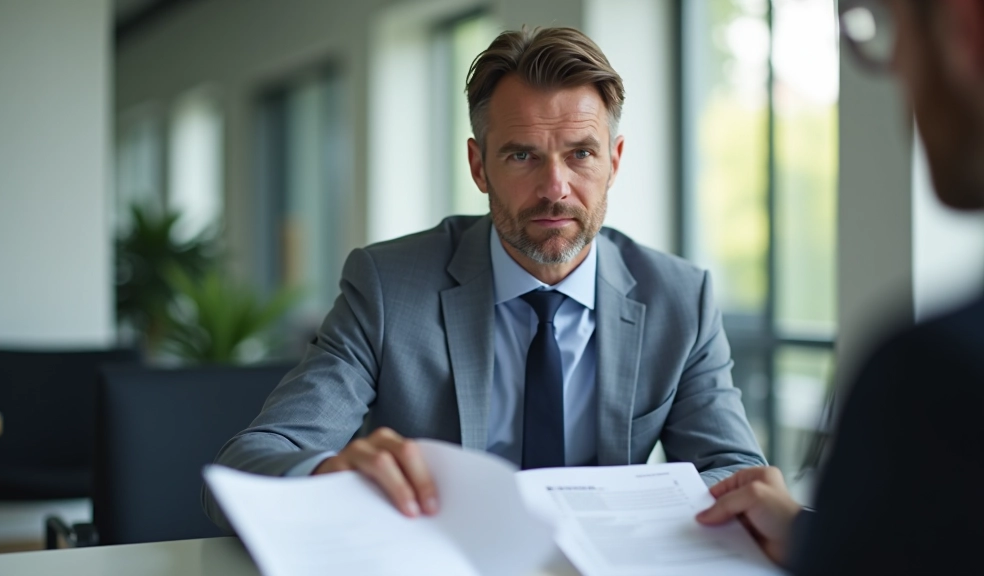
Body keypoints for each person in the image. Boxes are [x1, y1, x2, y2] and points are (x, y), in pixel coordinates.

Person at [203, 26, 766, 531]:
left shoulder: (679, 299)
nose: (555, 188)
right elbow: (249, 462)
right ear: (479, 166)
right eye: (522, 156)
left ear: (614, 162)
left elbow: (735, 470)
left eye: (580, 154)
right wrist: (327, 473)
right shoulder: (387, 287)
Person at [696, 0, 984, 573]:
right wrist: (807, 533)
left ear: (965, 27)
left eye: (893, 29)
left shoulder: (936, 380)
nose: (894, 64)